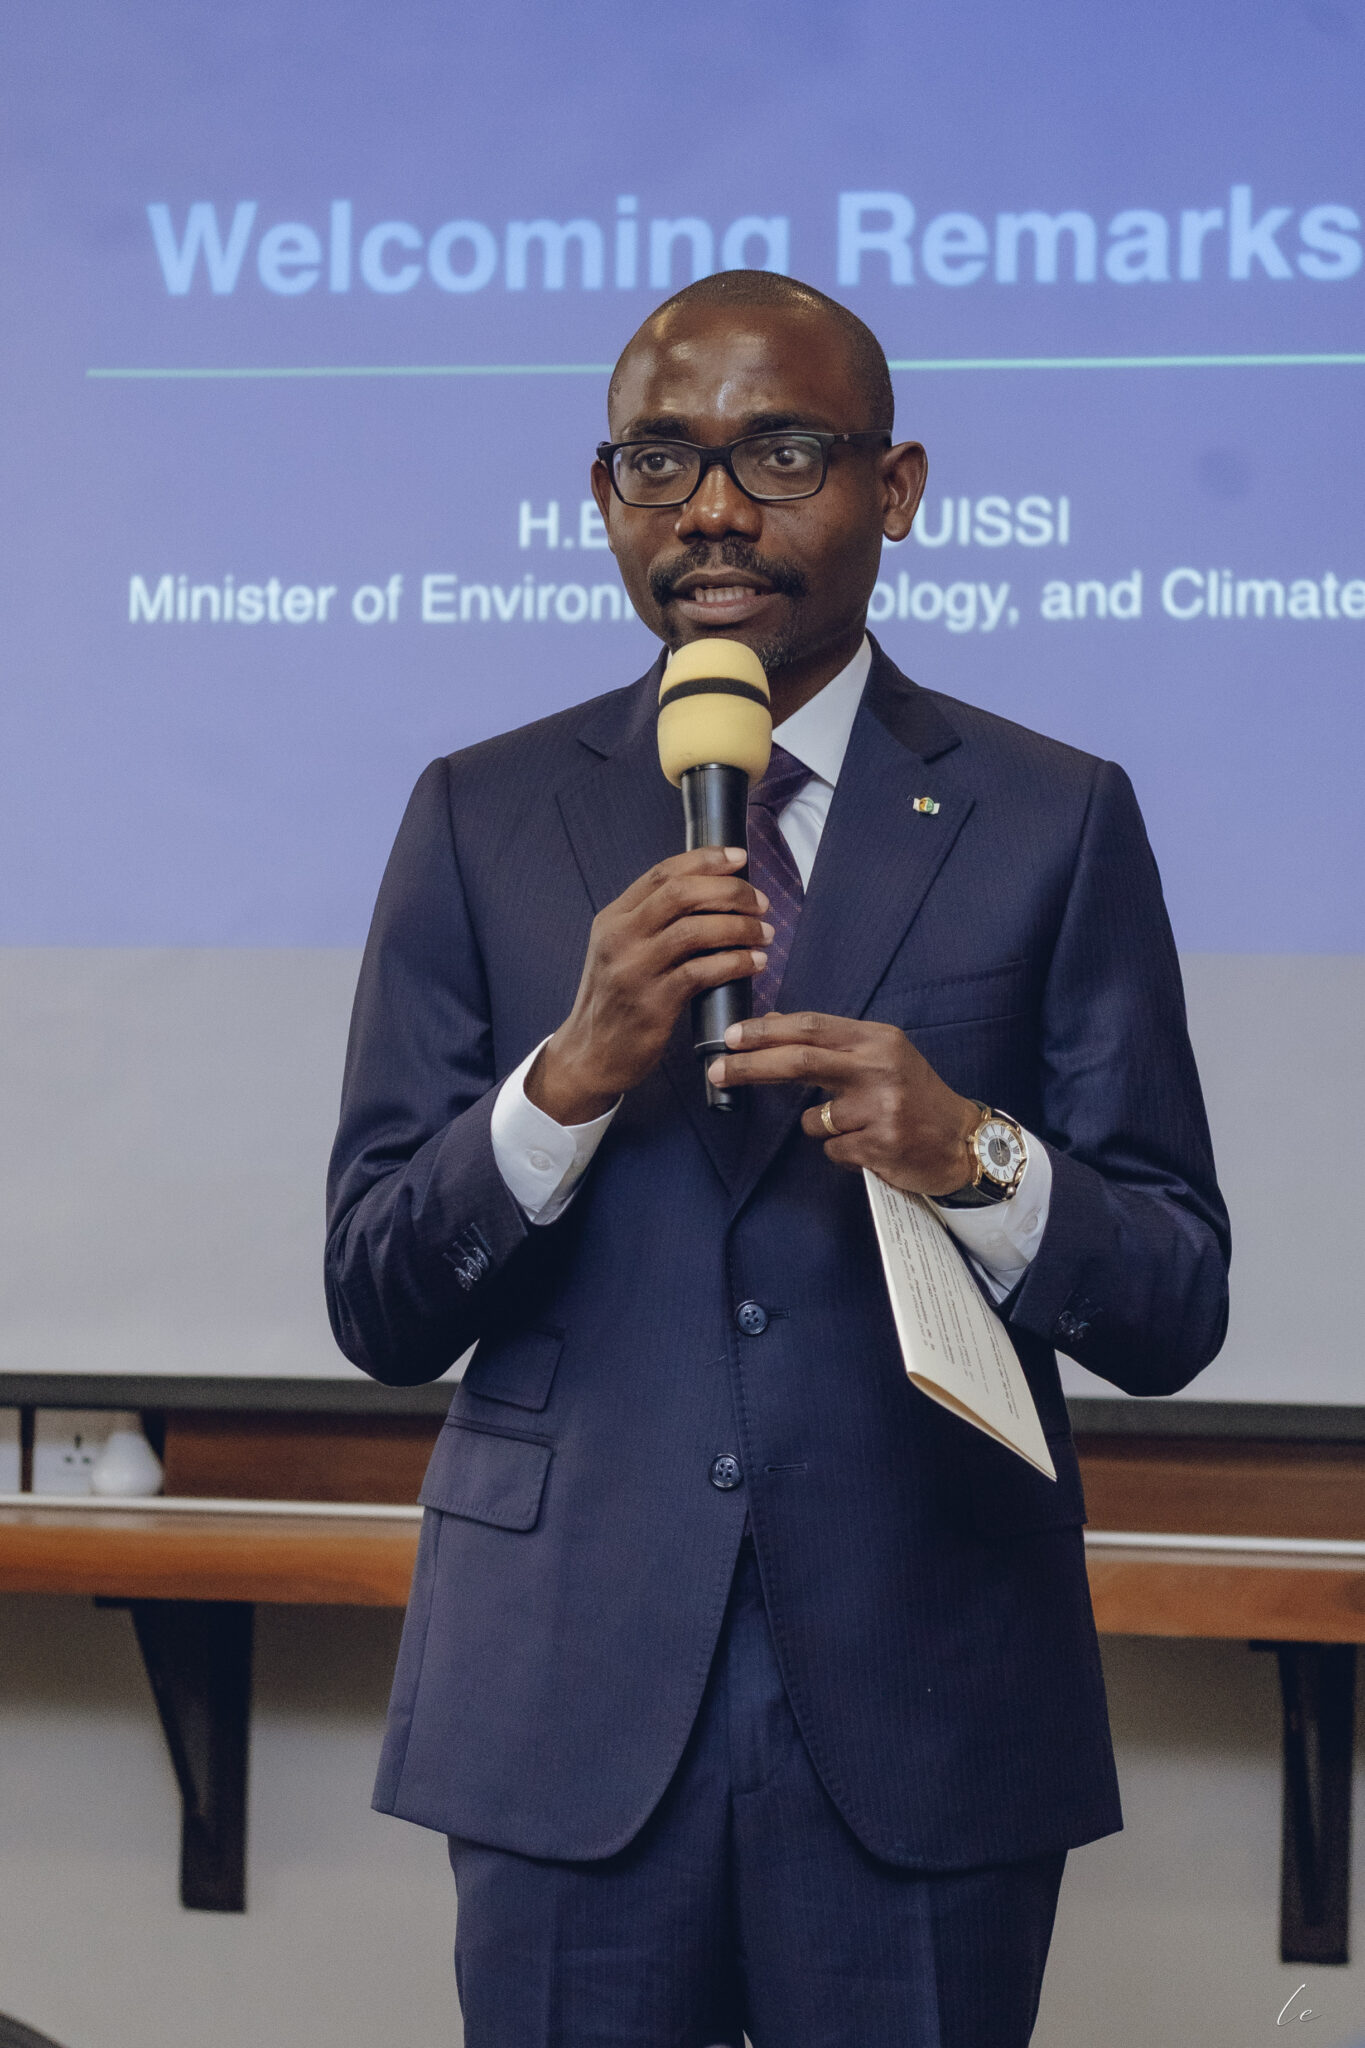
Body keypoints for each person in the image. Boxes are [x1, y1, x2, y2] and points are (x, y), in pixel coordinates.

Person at [325, 270, 1229, 2047]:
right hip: (569, 1695)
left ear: (895, 489)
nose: (714, 511)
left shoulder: (1052, 815)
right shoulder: (482, 812)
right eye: (659, 461)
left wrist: (971, 1155)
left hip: (930, 1693)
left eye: (781, 454)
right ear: (604, 498)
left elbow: (1173, 1299)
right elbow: (375, 1297)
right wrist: (565, 1082)